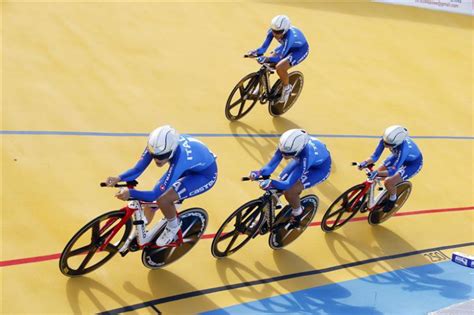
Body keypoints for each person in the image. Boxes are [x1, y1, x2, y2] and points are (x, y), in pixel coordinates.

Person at [105, 125, 218, 246]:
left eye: (162, 157)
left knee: (163, 199)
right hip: (188, 167)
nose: (157, 160)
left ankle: (173, 226)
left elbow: (155, 194)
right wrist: (119, 177)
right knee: (150, 205)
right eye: (154, 156)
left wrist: (131, 193)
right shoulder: (156, 147)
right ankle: (136, 235)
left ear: (172, 150)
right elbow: (137, 169)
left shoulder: (180, 157)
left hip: (203, 175)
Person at [249, 129, 331, 227]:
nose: (284, 156)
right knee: (276, 188)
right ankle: (266, 216)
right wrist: (259, 172)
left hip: (319, 169)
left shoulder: (306, 156)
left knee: (290, 191)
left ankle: (298, 212)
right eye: (282, 152)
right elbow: (270, 166)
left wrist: (272, 182)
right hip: (300, 160)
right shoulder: (286, 147)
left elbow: (288, 184)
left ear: (299, 150)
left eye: (288, 154)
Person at [358, 125, 423, 212]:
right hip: (396, 156)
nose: (385, 145)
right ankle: (363, 198)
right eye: (384, 142)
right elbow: (375, 157)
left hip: (412, 164)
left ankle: (392, 199)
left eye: (389, 145)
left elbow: (392, 171)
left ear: (397, 143)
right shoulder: (387, 139)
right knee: (376, 174)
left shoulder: (404, 149)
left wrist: (377, 173)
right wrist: (365, 163)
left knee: (388, 182)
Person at [248, 15, 309, 104]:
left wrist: (266, 58)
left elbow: (279, 58)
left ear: (285, 30)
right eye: (274, 31)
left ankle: (287, 88)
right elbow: (263, 49)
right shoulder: (272, 32)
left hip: (299, 51)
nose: (276, 34)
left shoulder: (290, 37)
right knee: (268, 62)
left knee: (280, 67)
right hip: (285, 46)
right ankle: (261, 87)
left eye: (279, 32)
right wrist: (255, 52)